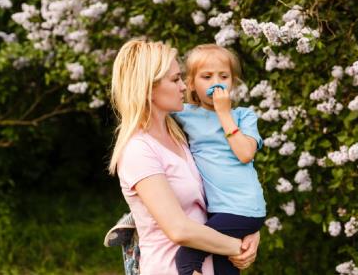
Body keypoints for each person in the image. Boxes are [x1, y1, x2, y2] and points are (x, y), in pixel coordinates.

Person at [108, 39, 260, 275]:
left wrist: (247, 226)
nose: (183, 87)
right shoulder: (139, 150)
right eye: (175, 79)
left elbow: (219, 190)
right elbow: (179, 229)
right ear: (148, 88)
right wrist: (237, 245)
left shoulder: (179, 135)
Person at [173, 44, 266, 275]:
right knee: (225, 268)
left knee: (186, 259)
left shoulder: (244, 116)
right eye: (207, 76)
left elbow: (245, 154)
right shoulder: (184, 113)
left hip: (242, 208)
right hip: (217, 209)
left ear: (232, 81)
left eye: (224, 76)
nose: (217, 82)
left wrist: (224, 114)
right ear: (191, 83)